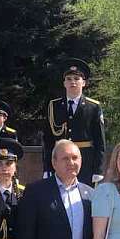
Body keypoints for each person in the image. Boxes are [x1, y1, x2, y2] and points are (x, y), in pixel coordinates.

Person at [42, 58, 106, 186]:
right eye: (69, 79)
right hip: (60, 161)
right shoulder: (54, 106)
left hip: (85, 162)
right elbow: (48, 140)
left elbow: (100, 141)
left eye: (77, 79)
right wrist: (47, 167)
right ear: (64, 83)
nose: (73, 82)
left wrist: (98, 169)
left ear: (84, 83)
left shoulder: (93, 107)